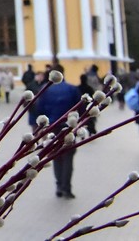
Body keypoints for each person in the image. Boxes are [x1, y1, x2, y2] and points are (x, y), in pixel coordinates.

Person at [38, 64, 81, 198]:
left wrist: (40, 128)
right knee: (68, 157)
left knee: (56, 156)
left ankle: (59, 185)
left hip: (52, 127)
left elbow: (39, 110)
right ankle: (66, 187)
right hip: (68, 126)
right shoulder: (72, 89)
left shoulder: (44, 90)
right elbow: (79, 108)